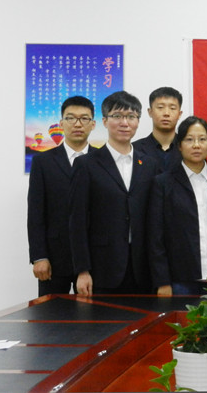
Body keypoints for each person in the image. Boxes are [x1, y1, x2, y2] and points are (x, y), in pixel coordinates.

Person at [69, 91, 159, 295]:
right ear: (104, 121)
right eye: (117, 116)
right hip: (102, 269)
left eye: (131, 116)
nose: (124, 123)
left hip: (143, 270)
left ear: (138, 121)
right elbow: (77, 221)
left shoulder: (150, 165)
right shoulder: (86, 164)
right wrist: (82, 270)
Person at [147, 116, 207, 296]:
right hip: (179, 281)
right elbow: (155, 237)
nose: (196, 145)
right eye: (189, 140)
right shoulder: (163, 183)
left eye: (202, 139)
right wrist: (162, 281)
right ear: (179, 145)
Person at [27, 95, 97, 296]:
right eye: (71, 118)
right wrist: (39, 256)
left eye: (84, 118)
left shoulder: (102, 160)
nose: (77, 124)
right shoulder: (43, 162)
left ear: (93, 124)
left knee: (93, 313)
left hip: (94, 257)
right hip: (54, 257)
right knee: (50, 314)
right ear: (61, 123)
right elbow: (36, 212)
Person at [133, 87, 183, 172]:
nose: (166, 113)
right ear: (150, 112)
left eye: (172, 108)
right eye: (160, 107)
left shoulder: (188, 148)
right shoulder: (134, 149)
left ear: (179, 114)